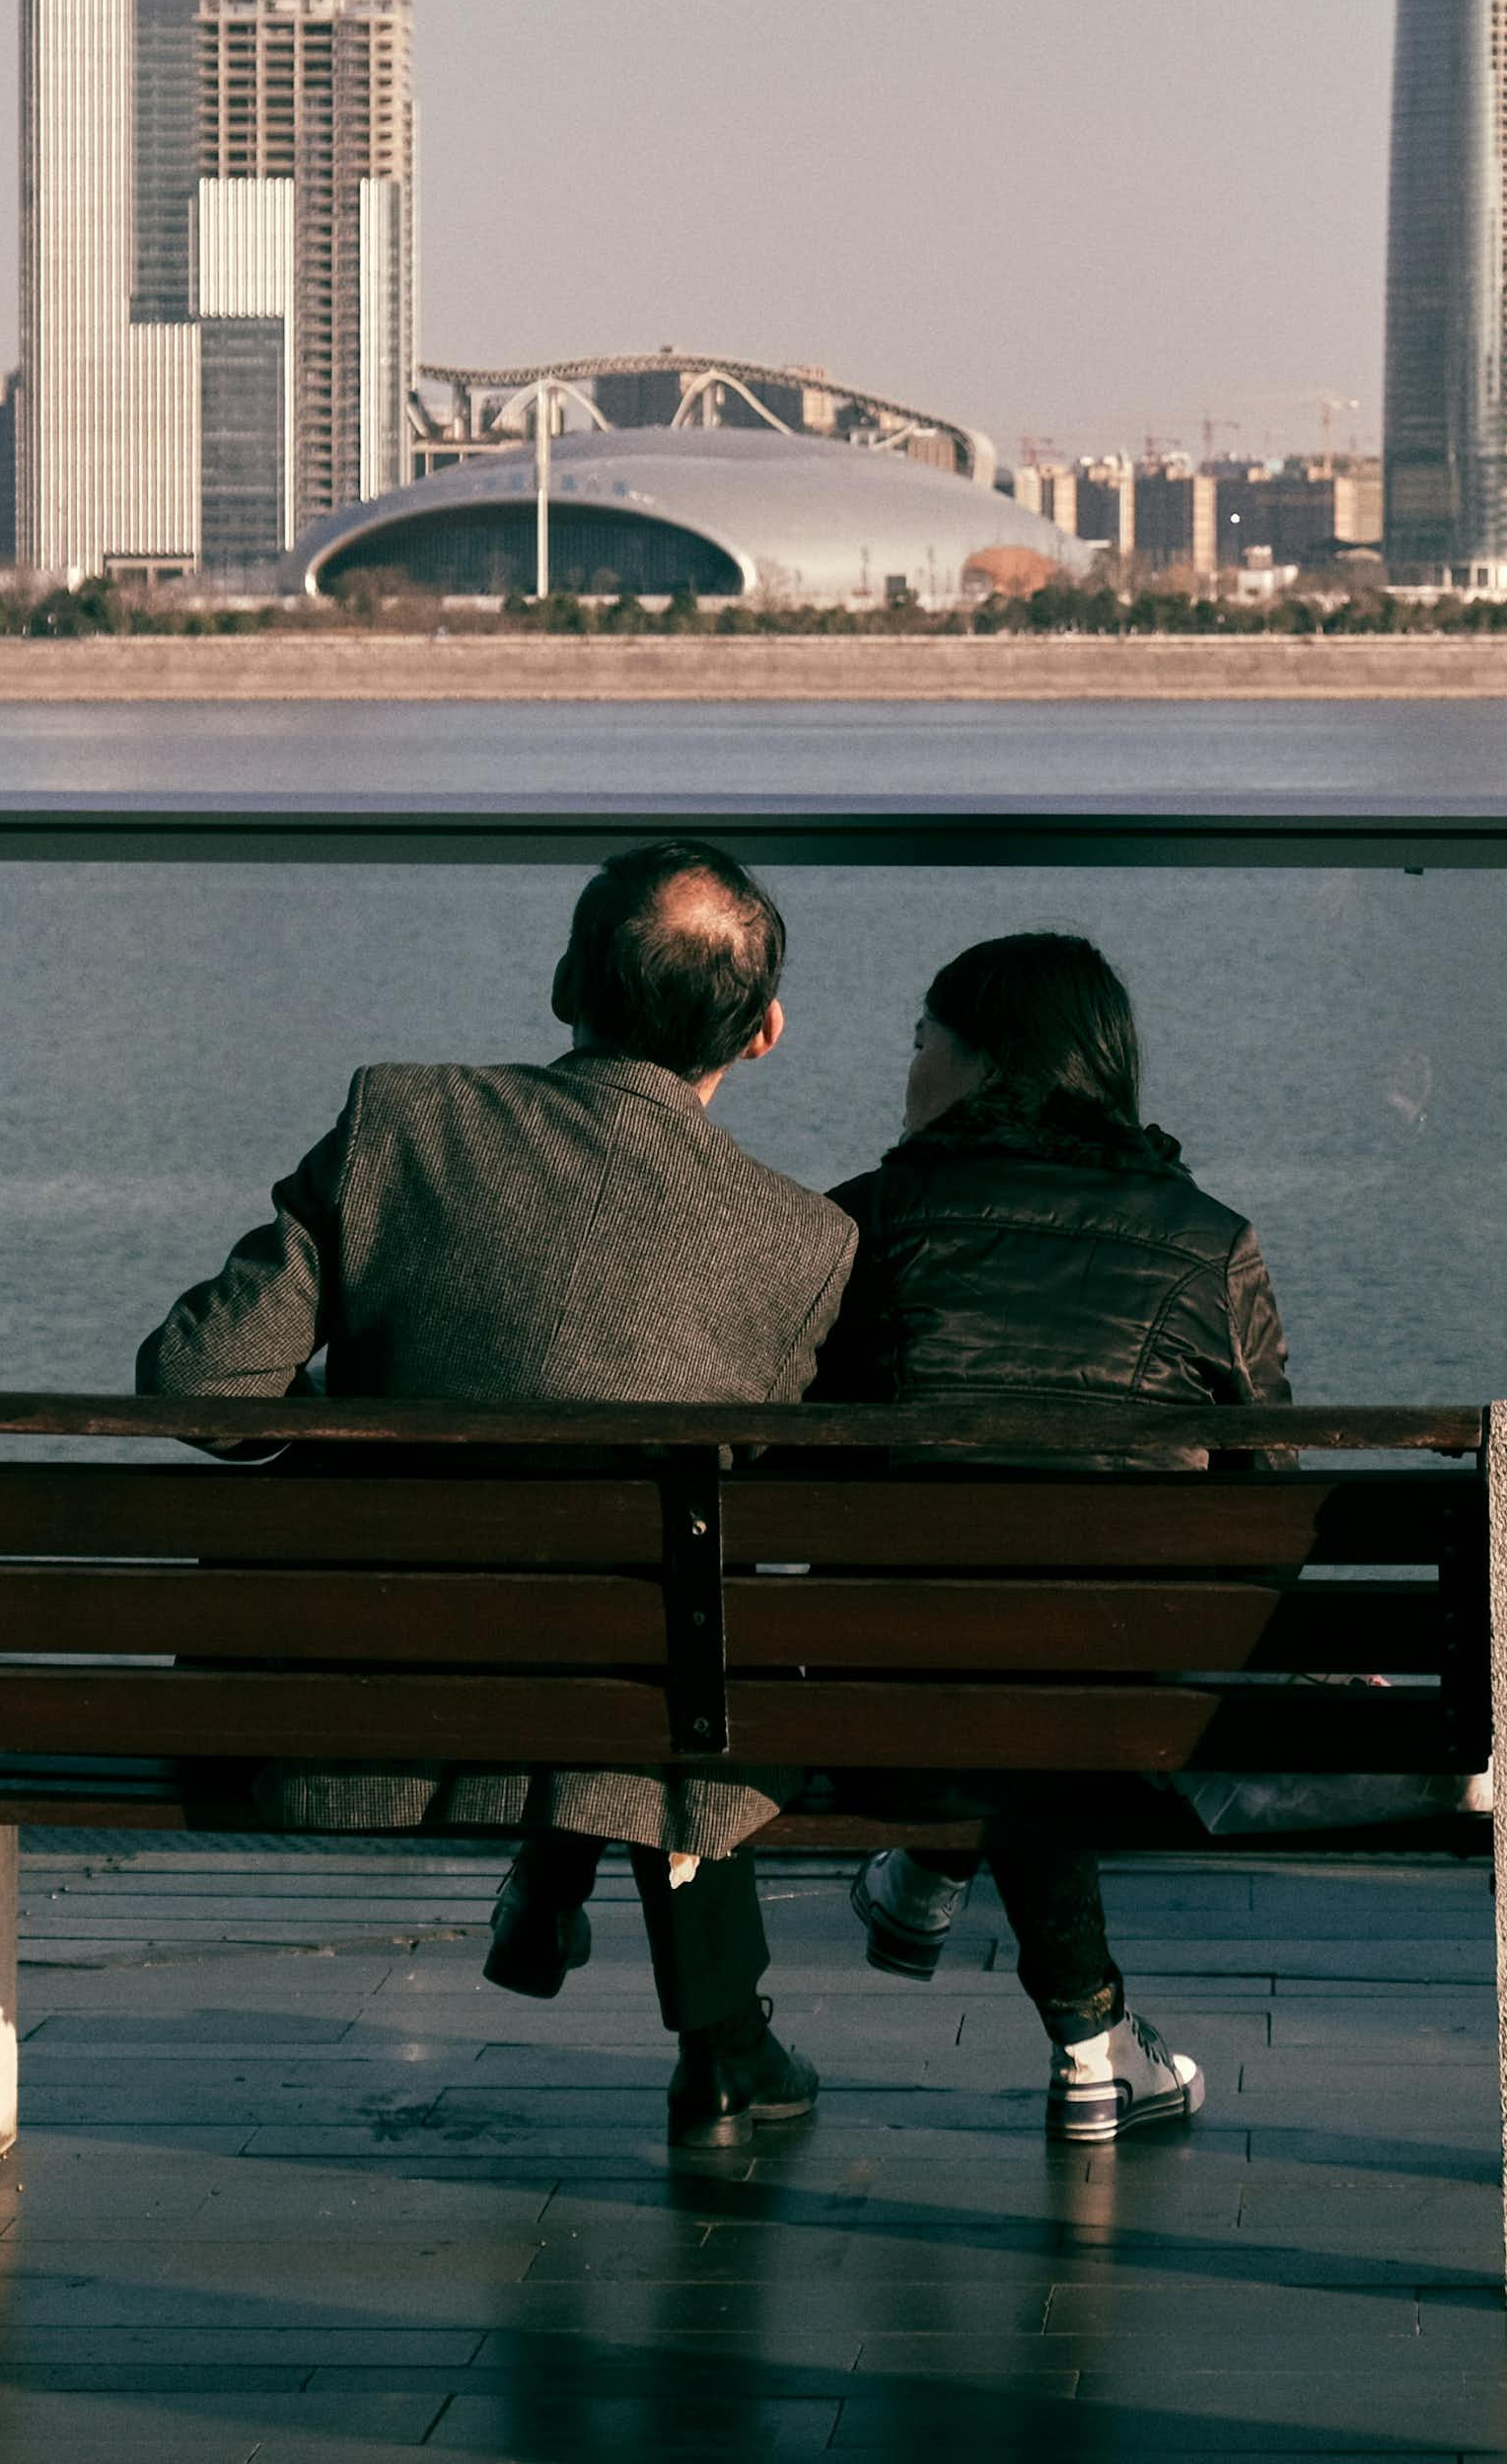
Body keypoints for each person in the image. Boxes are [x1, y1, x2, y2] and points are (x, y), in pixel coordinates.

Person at [136, 841, 857, 2147]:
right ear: (764, 1035)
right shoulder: (805, 1245)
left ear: (561, 983)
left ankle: (587, 1905)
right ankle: (723, 2042)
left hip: (357, 1691)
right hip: (637, 1700)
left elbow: (200, 1378)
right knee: (690, 1630)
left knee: (645, 1622)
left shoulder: (397, 1124)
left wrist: (348, 1463)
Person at [816, 930, 1293, 2143]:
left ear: (983, 1063)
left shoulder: (860, 1227)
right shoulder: (1205, 1238)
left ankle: (945, 1879)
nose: (907, 1069)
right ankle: (1090, 2045)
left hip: (867, 1704)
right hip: (1127, 1718)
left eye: (921, 1041)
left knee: (973, 1616)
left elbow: (778, 1463)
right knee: (1049, 1638)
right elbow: (1270, 1500)